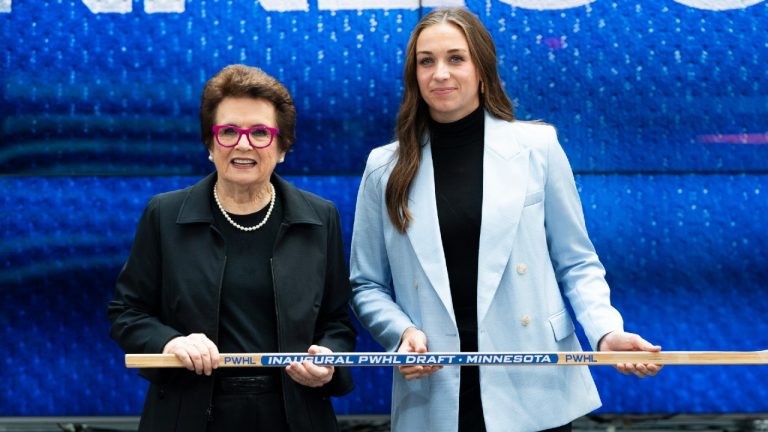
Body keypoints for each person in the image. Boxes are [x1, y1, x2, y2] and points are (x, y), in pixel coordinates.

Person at [349, 8, 661, 432]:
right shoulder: (384, 167)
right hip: (434, 388)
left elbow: (576, 262)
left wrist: (606, 333)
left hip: (535, 383)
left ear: (482, 68)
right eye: (427, 61)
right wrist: (401, 333)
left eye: (455, 58)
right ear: (413, 74)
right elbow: (366, 283)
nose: (440, 73)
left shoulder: (538, 146)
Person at [108, 64, 356, 432]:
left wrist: (328, 360)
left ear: (283, 146)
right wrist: (171, 342)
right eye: (228, 132)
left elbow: (337, 322)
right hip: (187, 414)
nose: (243, 144)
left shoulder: (320, 218)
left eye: (260, 133)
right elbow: (126, 311)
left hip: (295, 413)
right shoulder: (164, 214)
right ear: (210, 145)